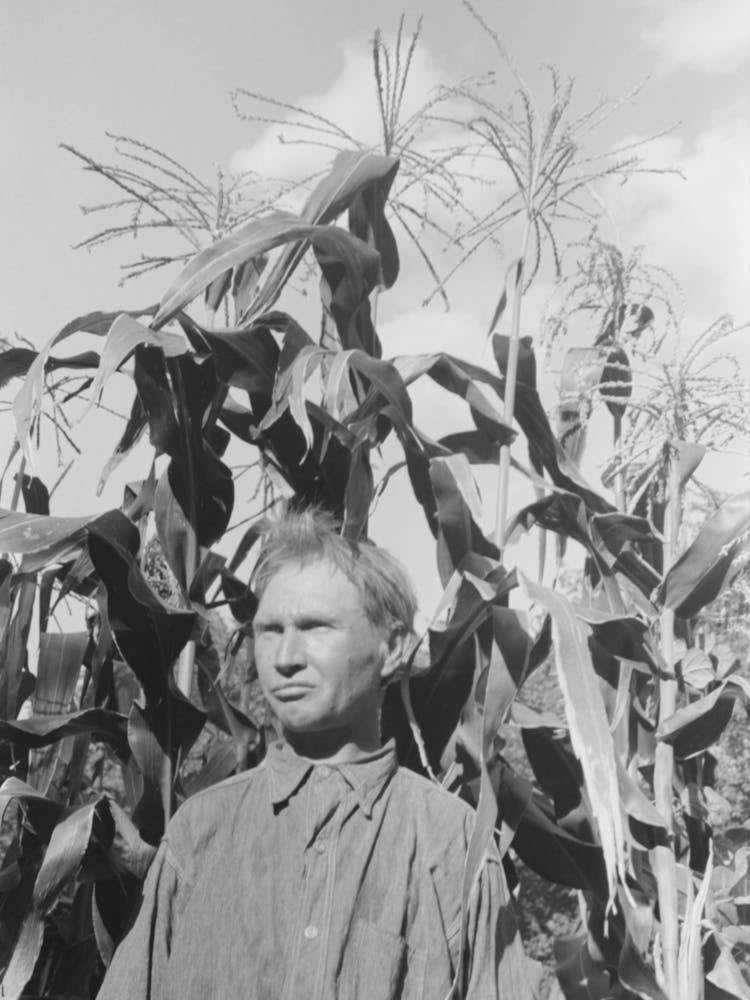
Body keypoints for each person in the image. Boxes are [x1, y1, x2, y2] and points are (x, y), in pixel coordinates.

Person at [96, 508, 531, 999]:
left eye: (315, 627)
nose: (285, 659)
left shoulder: (452, 845)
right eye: (269, 631)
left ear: (393, 647)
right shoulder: (199, 834)